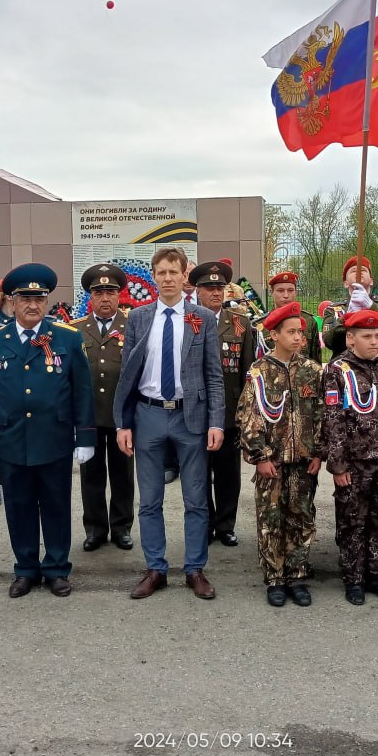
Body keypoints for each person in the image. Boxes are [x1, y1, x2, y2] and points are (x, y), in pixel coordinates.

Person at [0, 263, 94, 598]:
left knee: (56, 505)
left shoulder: (67, 338)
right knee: (19, 506)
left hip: (53, 439)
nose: (32, 304)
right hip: (11, 440)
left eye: (39, 298)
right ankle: (25, 568)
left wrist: (84, 437)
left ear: (46, 301)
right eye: (24, 297)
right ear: (12, 302)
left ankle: (56, 567)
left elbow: (82, 391)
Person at [113, 247, 224, 601]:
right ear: (154, 276)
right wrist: (123, 423)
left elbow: (214, 375)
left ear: (184, 277)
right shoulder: (139, 318)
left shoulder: (202, 317)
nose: (167, 279)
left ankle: (194, 568)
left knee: (195, 499)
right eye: (160, 273)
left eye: (173, 272)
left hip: (190, 416)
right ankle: (155, 568)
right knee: (149, 500)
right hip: (148, 415)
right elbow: (128, 375)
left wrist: (216, 422)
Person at [322, 310, 378, 605]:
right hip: (355, 463)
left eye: (377, 336)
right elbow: (333, 421)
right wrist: (337, 463)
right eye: (367, 336)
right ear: (350, 338)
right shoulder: (338, 370)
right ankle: (354, 579)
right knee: (353, 521)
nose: (374, 342)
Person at [235, 302, 322, 607]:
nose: (299, 337)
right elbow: (249, 416)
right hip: (272, 462)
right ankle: (274, 577)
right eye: (292, 332)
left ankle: (296, 575)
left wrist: (318, 452)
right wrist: (260, 456)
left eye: (301, 332)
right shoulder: (260, 371)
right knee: (271, 519)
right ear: (274, 334)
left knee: (301, 517)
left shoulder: (311, 371)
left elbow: (321, 413)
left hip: (302, 461)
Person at [191, 259, 252, 547]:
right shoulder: (186, 322)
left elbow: (247, 371)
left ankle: (226, 524)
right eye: (209, 288)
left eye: (219, 287)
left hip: (229, 412)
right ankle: (204, 523)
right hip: (196, 411)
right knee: (199, 473)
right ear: (198, 291)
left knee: (228, 473)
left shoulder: (241, 324)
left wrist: (245, 413)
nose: (215, 293)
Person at [72, 263, 134, 550]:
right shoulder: (75, 330)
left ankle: (121, 527)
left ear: (119, 295)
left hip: (122, 416)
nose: (105, 298)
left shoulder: (133, 326)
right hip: (89, 415)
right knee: (91, 476)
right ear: (91, 297)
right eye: (99, 292)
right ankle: (95, 528)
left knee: (123, 475)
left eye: (110, 292)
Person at [320, 256, 378, 358]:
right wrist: (346, 318)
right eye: (353, 271)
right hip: (346, 365)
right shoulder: (333, 310)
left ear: (371, 281)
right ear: (345, 283)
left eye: (363, 270)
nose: (358, 272)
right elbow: (329, 341)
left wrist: (371, 306)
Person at [266, 271, 321, 363]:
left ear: (295, 292)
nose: (286, 295)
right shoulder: (260, 325)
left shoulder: (309, 321)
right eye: (280, 291)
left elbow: (316, 358)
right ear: (272, 292)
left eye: (290, 290)